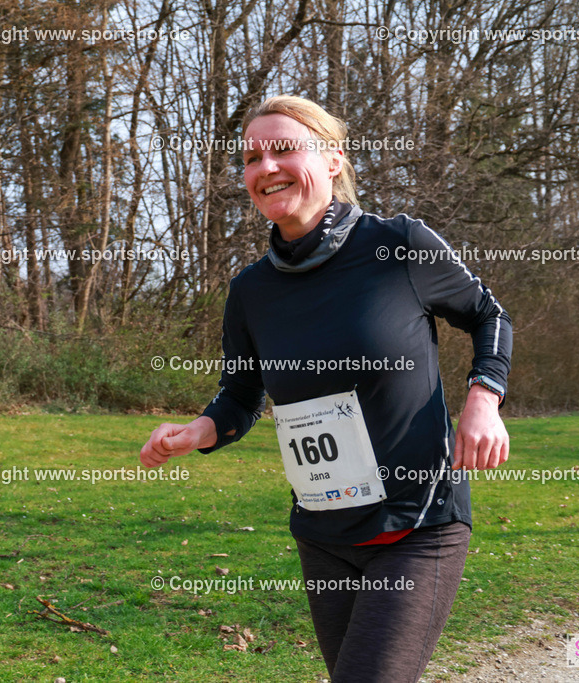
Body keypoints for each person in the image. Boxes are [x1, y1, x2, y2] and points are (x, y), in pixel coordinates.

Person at [139, 95, 512, 682]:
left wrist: (483, 398)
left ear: (333, 158)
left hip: (415, 524)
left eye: (284, 149)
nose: (265, 168)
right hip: (322, 531)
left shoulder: (399, 247)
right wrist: (198, 433)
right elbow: (240, 396)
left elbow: (489, 314)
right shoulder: (252, 291)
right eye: (251, 157)